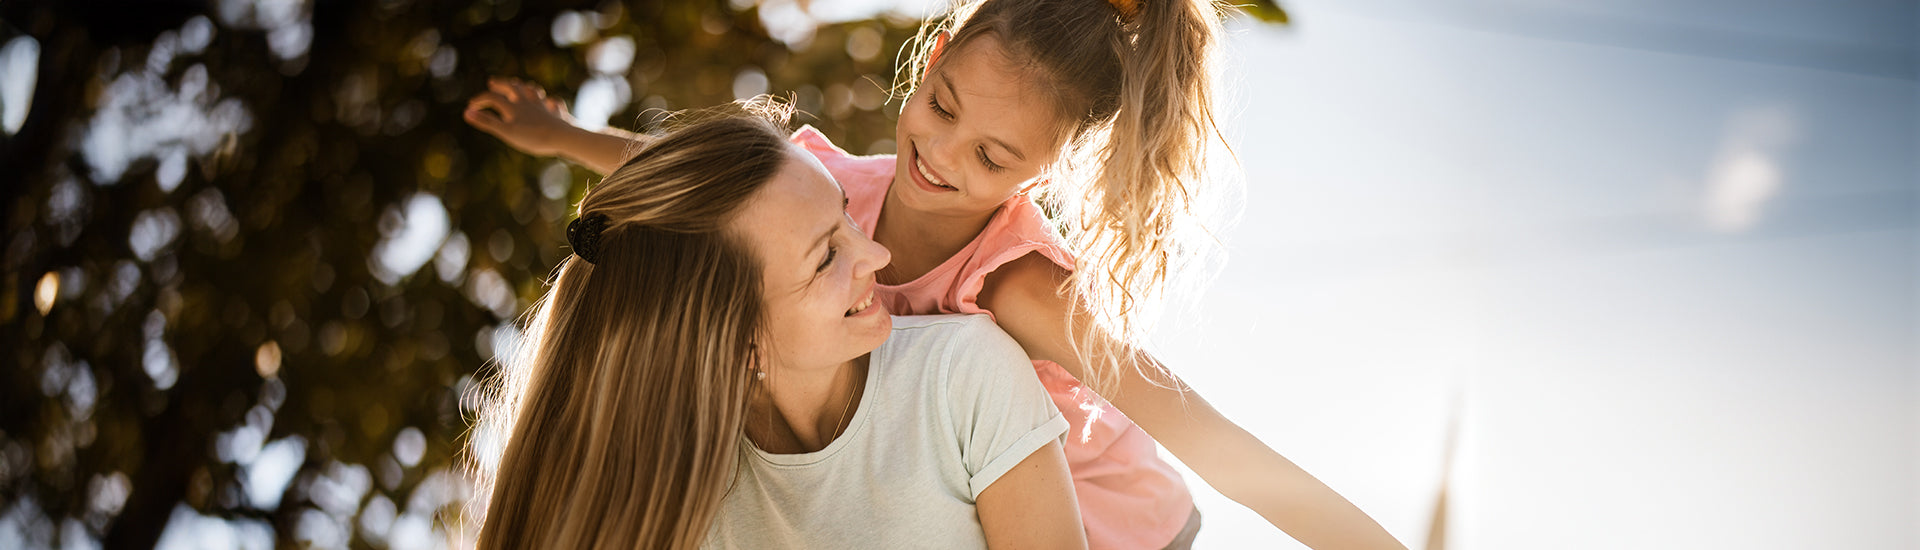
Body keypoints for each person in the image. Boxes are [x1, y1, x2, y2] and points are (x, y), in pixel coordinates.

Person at [467, 0, 1406, 547]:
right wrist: (559, 135)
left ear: (1047, 171)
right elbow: (701, 191)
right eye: (942, 107)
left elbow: (1212, 441)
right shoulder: (829, 189)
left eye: (993, 157)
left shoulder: (1015, 288)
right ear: (936, 56)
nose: (943, 157)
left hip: (1118, 525)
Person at [471, 105, 1087, 549]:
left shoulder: (965, 374)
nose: (877, 256)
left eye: (846, 216)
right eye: (825, 258)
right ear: (738, 343)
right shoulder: (689, 500)